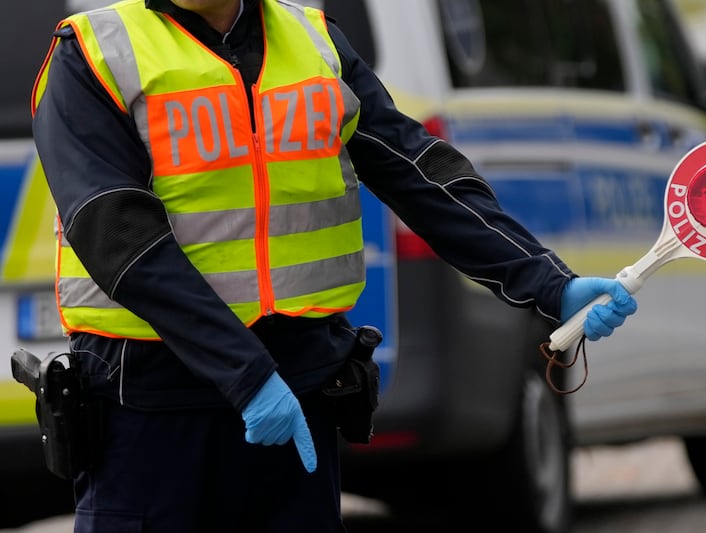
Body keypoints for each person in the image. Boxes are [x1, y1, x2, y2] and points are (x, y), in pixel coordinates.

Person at [30, 0, 638, 531]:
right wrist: (245, 374)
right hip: (154, 404)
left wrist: (548, 283)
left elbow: (420, 173)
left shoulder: (315, 43)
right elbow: (115, 234)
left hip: (296, 391)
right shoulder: (94, 55)